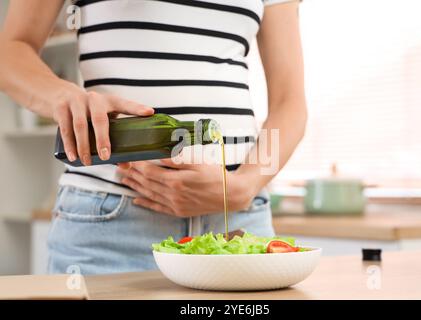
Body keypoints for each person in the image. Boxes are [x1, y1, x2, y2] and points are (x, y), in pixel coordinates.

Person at [0, 0, 307, 274]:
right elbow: (10, 51)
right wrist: (63, 96)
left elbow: (288, 103)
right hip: (109, 226)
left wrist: (247, 184)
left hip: (240, 220)